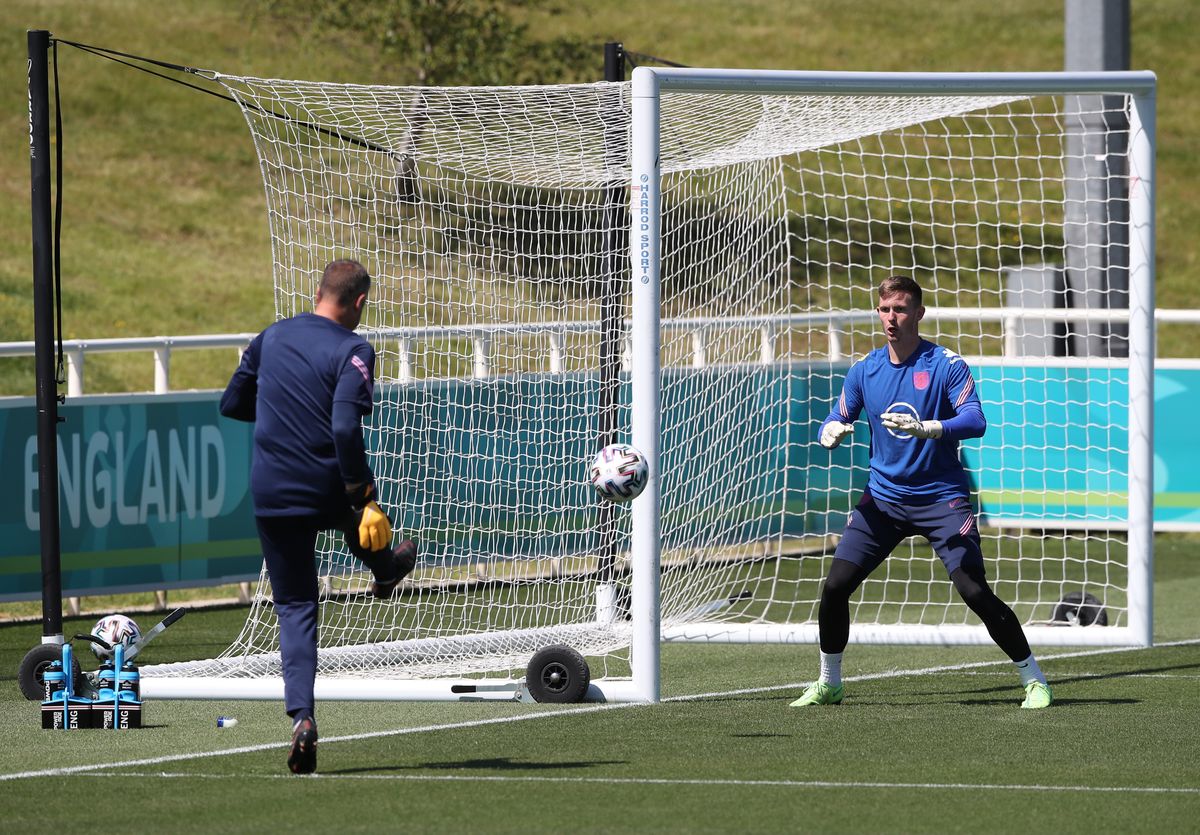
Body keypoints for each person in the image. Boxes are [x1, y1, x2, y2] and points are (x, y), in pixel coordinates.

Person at [792, 275, 1052, 710]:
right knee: (835, 586)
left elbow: (976, 420)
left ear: (918, 313)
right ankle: (829, 682)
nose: (890, 318)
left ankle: (1034, 679)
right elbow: (837, 415)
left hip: (940, 500)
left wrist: (934, 427)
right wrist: (831, 429)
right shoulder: (864, 370)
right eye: (884, 309)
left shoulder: (946, 365)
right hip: (883, 500)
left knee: (973, 590)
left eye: (899, 309)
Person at [220, 258, 417, 772]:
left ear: (317, 291)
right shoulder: (354, 348)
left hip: (271, 491)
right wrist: (363, 493)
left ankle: (302, 718)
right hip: (324, 484)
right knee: (364, 518)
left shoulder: (271, 336)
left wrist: (277, 410)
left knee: (295, 607)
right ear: (359, 303)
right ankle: (386, 569)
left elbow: (232, 403)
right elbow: (346, 430)